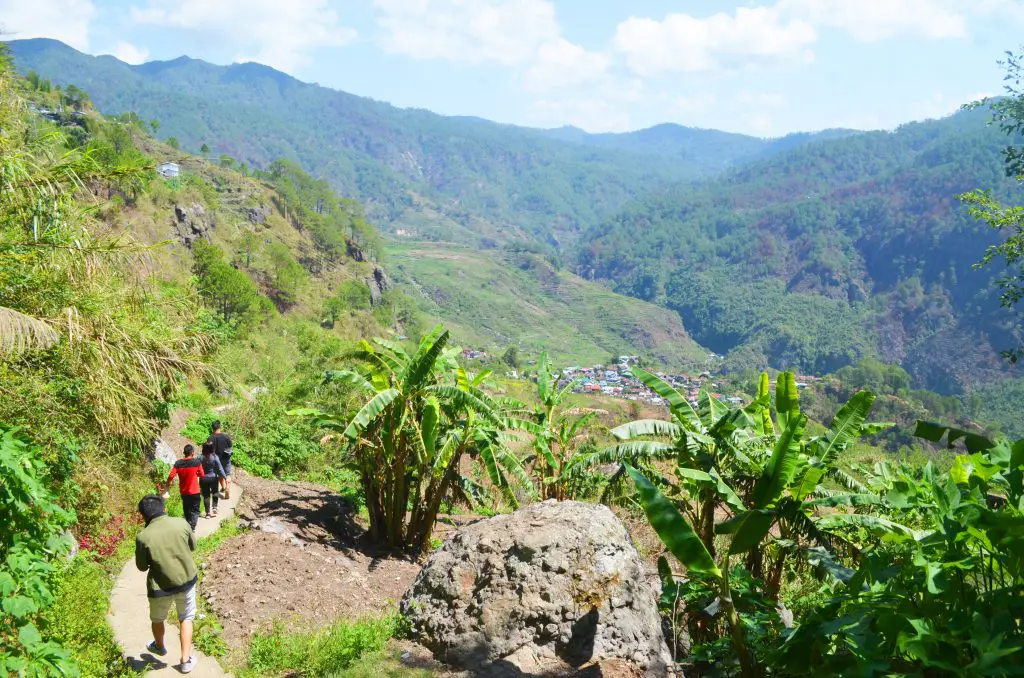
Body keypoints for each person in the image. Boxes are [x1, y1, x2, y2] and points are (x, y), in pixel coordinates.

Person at [135, 494, 197, 674]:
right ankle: (185, 661)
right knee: (186, 617)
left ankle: (159, 646)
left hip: (159, 588)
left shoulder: (143, 537)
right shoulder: (181, 523)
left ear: (144, 516)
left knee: (157, 619)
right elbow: (193, 546)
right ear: (164, 508)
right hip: (187, 580)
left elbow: (141, 566)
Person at [166, 444, 203, 531]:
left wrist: (168, 483)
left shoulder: (178, 463)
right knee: (195, 509)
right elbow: (202, 474)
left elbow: (171, 475)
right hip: (195, 491)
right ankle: (192, 527)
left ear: (184, 453)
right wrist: (195, 474)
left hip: (184, 491)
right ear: (193, 453)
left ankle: (188, 526)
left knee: (187, 509)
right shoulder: (197, 462)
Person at [199, 441, 226, 518]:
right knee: (215, 492)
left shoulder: (200, 457)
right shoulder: (215, 457)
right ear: (212, 448)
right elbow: (220, 469)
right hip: (213, 478)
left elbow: (196, 467)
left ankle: (207, 513)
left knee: (206, 496)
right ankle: (214, 507)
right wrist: (225, 477)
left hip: (203, 478)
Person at [209, 421, 233, 499]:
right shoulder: (226, 437)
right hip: (226, 459)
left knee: (220, 474)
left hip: (216, 460)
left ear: (212, 428)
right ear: (219, 427)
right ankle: (227, 488)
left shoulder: (211, 438)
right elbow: (230, 446)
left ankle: (223, 487)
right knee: (227, 474)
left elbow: (208, 450)